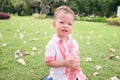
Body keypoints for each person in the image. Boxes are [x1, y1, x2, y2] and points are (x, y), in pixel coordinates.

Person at [44, 5, 87, 80]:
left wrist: (76, 62)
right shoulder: (52, 44)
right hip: (59, 76)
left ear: (72, 26)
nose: (65, 26)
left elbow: (75, 56)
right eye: (62, 22)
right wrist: (64, 63)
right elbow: (48, 62)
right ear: (54, 24)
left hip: (73, 74)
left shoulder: (74, 42)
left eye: (69, 24)